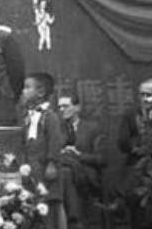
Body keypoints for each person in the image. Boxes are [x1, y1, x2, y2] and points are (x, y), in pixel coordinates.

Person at [21, 72, 65, 229]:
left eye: (27, 87)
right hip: (32, 169)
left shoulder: (50, 116)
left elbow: (55, 141)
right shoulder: (27, 116)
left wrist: (52, 162)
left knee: (48, 209)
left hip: (46, 169)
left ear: (40, 92)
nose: (23, 91)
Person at [117, 78, 152, 229]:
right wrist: (139, 148)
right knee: (134, 203)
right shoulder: (130, 115)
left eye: (149, 95)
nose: (145, 98)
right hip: (136, 164)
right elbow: (123, 142)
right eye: (142, 94)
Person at [57, 91, 105, 229]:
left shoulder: (92, 128)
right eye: (59, 107)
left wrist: (79, 155)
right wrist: (61, 153)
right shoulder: (57, 129)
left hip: (86, 174)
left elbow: (102, 158)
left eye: (66, 106)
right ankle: (73, 220)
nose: (62, 110)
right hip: (63, 173)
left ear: (77, 107)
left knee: (67, 172)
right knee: (65, 172)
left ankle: (74, 220)